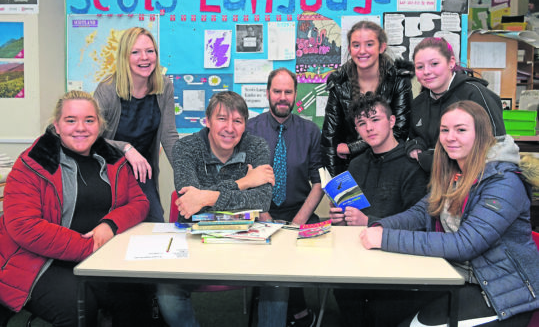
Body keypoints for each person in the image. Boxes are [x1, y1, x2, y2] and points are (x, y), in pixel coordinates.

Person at [361, 101, 539, 326]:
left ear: (481, 134)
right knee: (381, 308)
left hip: (498, 289)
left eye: (461, 129)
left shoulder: (504, 182)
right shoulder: (455, 171)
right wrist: (380, 227)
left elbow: (465, 243)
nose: (450, 137)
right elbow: (421, 213)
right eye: (445, 130)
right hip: (456, 274)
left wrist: (385, 239)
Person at [0, 90, 150, 326]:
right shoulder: (32, 163)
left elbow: (139, 203)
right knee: (79, 308)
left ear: (99, 125)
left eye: (89, 120)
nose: (81, 127)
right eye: (71, 120)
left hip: (98, 257)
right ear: (57, 126)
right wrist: (91, 246)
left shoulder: (113, 159)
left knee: (140, 297)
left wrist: (110, 225)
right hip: (40, 262)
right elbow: (24, 227)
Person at [157, 91, 274, 327]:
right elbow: (190, 202)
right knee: (166, 288)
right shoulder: (185, 148)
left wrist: (206, 196)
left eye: (237, 121)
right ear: (207, 121)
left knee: (279, 279)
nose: (229, 128)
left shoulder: (257, 146)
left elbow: (262, 201)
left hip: (246, 240)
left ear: (245, 126)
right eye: (222, 119)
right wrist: (244, 182)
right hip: (197, 241)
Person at [330, 93, 429, 326]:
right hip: (357, 254)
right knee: (343, 294)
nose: (369, 128)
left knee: (382, 310)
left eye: (375, 120)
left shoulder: (412, 165)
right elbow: (350, 217)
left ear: (392, 121)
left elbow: (419, 223)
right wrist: (341, 218)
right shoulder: (356, 164)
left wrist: (369, 220)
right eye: (362, 124)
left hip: (397, 258)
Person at [247, 67, 324, 327]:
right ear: (267, 93)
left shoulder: (311, 131)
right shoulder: (250, 129)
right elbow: (245, 181)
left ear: (295, 94)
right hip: (261, 213)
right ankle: (295, 312)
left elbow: (318, 183)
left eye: (288, 92)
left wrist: (298, 221)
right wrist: (266, 216)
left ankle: (294, 308)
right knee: (274, 260)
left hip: (299, 213)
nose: (282, 97)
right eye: (277, 91)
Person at [94, 26, 178, 223]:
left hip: (143, 174)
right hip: (109, 173)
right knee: (113, 229)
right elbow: (89, 139)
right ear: (125, 56)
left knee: (154, 223)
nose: (145, 57)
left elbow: (169, 136)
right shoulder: (107, 90)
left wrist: (188, 174)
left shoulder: (164, 86)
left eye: (150, 51)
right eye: (136, 52)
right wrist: (126, 148)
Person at [321, 20, 413, 177]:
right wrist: (335, 187)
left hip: (389, 167)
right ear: (349, 49)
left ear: (381, 47)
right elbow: (330, 140)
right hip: (351, 171)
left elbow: (399, 132)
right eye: (356, 45)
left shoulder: (398, 81)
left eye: (369, 44)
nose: (362, 51)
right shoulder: (339, 83)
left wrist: (352, 148)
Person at [406, 36, 505, 173]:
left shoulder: (475, 93)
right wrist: (415, 147)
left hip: (473, 178)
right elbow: (416, 137)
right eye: (420, 67)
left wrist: (434, 158)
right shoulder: (419, 103)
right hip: (433, 181)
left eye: (434, 64)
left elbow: (496, 143)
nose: (427, 71)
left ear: (451, 62)